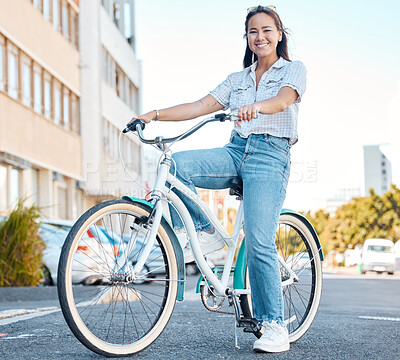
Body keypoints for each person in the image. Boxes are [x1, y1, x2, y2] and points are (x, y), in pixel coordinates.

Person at [128, 5, 306, 353]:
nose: (260, 37)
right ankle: (205, 233)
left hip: (270, 156)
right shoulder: (238, 80)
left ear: (279, 34)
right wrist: (153, 115)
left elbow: (285, 101)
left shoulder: (294, 70)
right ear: (247, 38)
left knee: (258, 240)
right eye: (253, 32)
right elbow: (198, 106)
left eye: (267, 30)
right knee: (177, 164)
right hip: (236, 150)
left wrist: (260, 107)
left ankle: (274, 325)